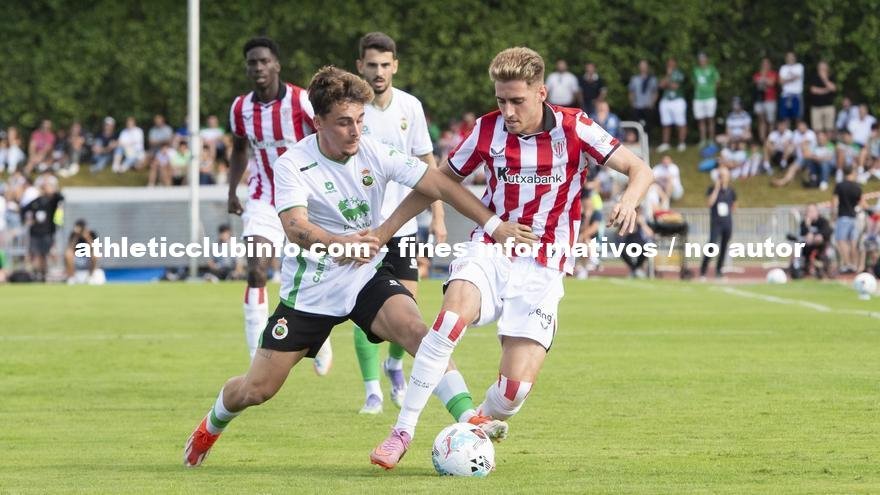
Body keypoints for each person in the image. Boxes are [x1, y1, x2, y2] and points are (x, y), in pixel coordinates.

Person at [182, 65, 530, 468]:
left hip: (366, 276)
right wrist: (337, 244)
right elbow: (295, 227)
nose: (355, 131)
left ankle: (470, 417)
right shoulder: (293, 163)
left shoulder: (373, 150)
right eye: (344, 122)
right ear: (318, 122)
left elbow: (439, 184)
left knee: (419, 331)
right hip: (311, 289)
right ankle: (211, 424)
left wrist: (493, 224)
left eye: (361, 120)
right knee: (257, 389)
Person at [369, 46, 652, 469]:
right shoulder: (487, 130)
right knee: (449, 319)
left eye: (517, 100)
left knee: (513, 392)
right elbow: (436, 182)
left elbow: (639, 169)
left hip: (545, 266)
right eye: (501, 100)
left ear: (541, 92)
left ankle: (474, 425)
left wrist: (630, 201)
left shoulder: (576, 127)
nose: (507, 111)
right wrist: (385, 230)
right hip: (493, 249)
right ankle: (402, 430)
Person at [352, 32, 448, 413]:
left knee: (406, 305)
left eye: (385, 65)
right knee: (363, 308)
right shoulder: (353, 109)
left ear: (395, 66)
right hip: (364, 226)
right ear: (360, 65)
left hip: (404, 225)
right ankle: (372, 390)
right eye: (371, 65)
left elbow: (428, 164)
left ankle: (394, 364)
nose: (378, 72)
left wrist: (438, 216)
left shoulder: (410, 106)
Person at [225, 37, 332, 368]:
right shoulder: (240, 107)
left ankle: (319, 338)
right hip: (263, 198)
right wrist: (231, 191)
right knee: (256, 270)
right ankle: (257, 357)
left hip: (304, 200)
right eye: (252, 63)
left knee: (307, 276)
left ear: (276, 65)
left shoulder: (301, 101)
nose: (257, 67)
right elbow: (241, 149)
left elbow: (326, 139)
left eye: (263, 61)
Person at [21, 174, 64, 282]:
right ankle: (36, 275)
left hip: (47, 232)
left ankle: (44, 275)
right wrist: (26, 220)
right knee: (35, 254)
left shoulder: (52, 201)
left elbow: (61, 197)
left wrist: (53, 190)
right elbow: (23, 210)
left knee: (45, 255)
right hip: (35, 232)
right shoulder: (35, 201)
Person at [700, 166, 736, 279]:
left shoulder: (731, 191)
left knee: (724, 247)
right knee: (711, 245)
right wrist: (716, 188)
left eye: (724, 176)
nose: (722, 178)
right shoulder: (712, 189)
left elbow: (734, 205)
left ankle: (719, 271)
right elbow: (710, 203)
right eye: (720, 176)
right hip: (716, 223)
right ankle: (703, 271)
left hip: (727, 222)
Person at [833, 165, 867, 274]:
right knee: (853, 242)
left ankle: (847, 264)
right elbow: (863, 204)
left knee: (841, 240)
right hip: (854, 218)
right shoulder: (857, 187)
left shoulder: (839, 186)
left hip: (843, 216)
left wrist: (833, 214)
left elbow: (834, 202)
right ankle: (855, 264)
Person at [657, 57, 687, 152]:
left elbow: (675, 86)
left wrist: (668, 80)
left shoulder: (679, 74)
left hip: (677, 101)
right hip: (666, 101)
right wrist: (668, 76)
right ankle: (666, 143)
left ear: (675, 64)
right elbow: (661, 85)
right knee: (666, 123)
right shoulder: (666, 74)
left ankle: (682, 143)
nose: (670, 65)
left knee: (680, 123)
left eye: (672, 63)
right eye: (668, 63)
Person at [795, 203, 833, 278]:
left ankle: (821, 266)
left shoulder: (823, 221)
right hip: (807, 246)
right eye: (808, 211)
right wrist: (808, 226)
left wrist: (818, 236)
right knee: (797, 247)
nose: (810, 213)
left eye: (812, 211)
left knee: (819, 241)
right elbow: (803, 234)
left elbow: (827, 231)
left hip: (821, 246)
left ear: (817, 212)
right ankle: (798, 267)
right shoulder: (804, 223)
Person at [64, 219, 105, 284]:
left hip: (88, 258)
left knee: (96, 254)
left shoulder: (91, 234)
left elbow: (95, 247)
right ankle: (72, 278)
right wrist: (76, 237)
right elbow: (70, 248)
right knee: (68, 254)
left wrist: (87, 237)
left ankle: (91, 277)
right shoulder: (74, 235)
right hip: (76, 258)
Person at [692, 52, 720, 147]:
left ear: (706, 59)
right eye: (700, 59)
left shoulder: (712, 69)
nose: (702, 61)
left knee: (710, 119)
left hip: (710, 97)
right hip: (699, 98)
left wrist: (712, 90)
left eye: (703, 58)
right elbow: (695, 82)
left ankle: (711, 139)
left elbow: (717, 81)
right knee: (701, 119)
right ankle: (703, 139)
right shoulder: (696, 70)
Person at [628, 59, 658, 133]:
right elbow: (631, 92)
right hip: (637, 106)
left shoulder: (652, 79)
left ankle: (648, 141)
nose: (643, 68)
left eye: (644, 66)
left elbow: (655, 92)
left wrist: (652, 103)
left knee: (648, 126)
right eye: (641, 66)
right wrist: (632, 104)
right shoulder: (635, 79)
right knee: (637, 125)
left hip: (648, 106)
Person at [752, 57, 778, 141]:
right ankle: (762, 140)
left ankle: (771, 140)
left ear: (770, 65)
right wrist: (765, 80)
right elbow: (757, 83)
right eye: (764, 64)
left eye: (767, 64)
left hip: (770, 99)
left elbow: (771, 83)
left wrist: (763, 80)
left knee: (770, 121)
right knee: (761, 120)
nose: (765, 65)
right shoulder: (757, 74)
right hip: (759, 100)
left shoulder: (773, 73)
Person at [808, 61, 837, 134]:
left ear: (827, 68)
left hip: (828, 106)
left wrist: (825, 79)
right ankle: (819, 144)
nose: (821, 69)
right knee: (817, 129)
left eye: (823, 68)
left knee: (829, 129)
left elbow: (833, 88)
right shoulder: (814, 77)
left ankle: (828, 145)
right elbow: (813, 90)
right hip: (816, 107)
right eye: (820, 68)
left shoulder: (831, 77)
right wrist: (826, 90)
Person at [779, 52, 804, 121]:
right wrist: (792, 78)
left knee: (798, 117)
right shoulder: (783, 68)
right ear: (786, 58)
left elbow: (797, 77)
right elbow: (781, 82)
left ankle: (797, 132)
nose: (790, 58)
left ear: (795, 58)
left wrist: (786, 79)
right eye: (788, 57)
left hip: (797, 95)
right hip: (785, 95)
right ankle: (788, 132)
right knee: (785, 117)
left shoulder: (799, 66)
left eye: (792, 56)